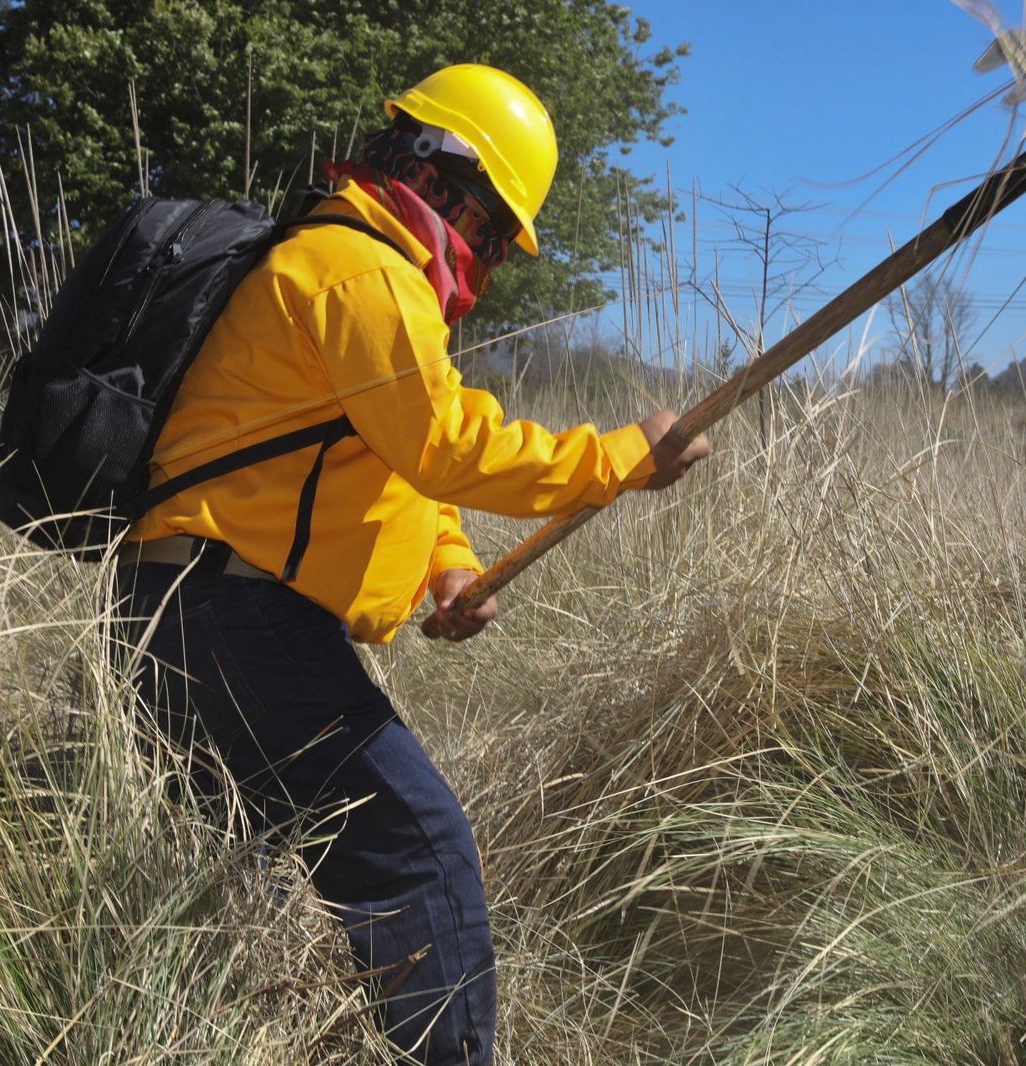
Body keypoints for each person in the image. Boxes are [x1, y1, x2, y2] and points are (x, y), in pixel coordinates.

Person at [112, 63, 710, 1065]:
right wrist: (619, 460)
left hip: (181, 599)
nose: (483, 258)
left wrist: (445, 568)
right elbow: (440, 443)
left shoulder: (346, 263)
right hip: (231, 612)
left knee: (233, 873)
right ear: (440, 180)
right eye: (488, 231)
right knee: (421, 850)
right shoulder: (362, 271)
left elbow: (382, 458)